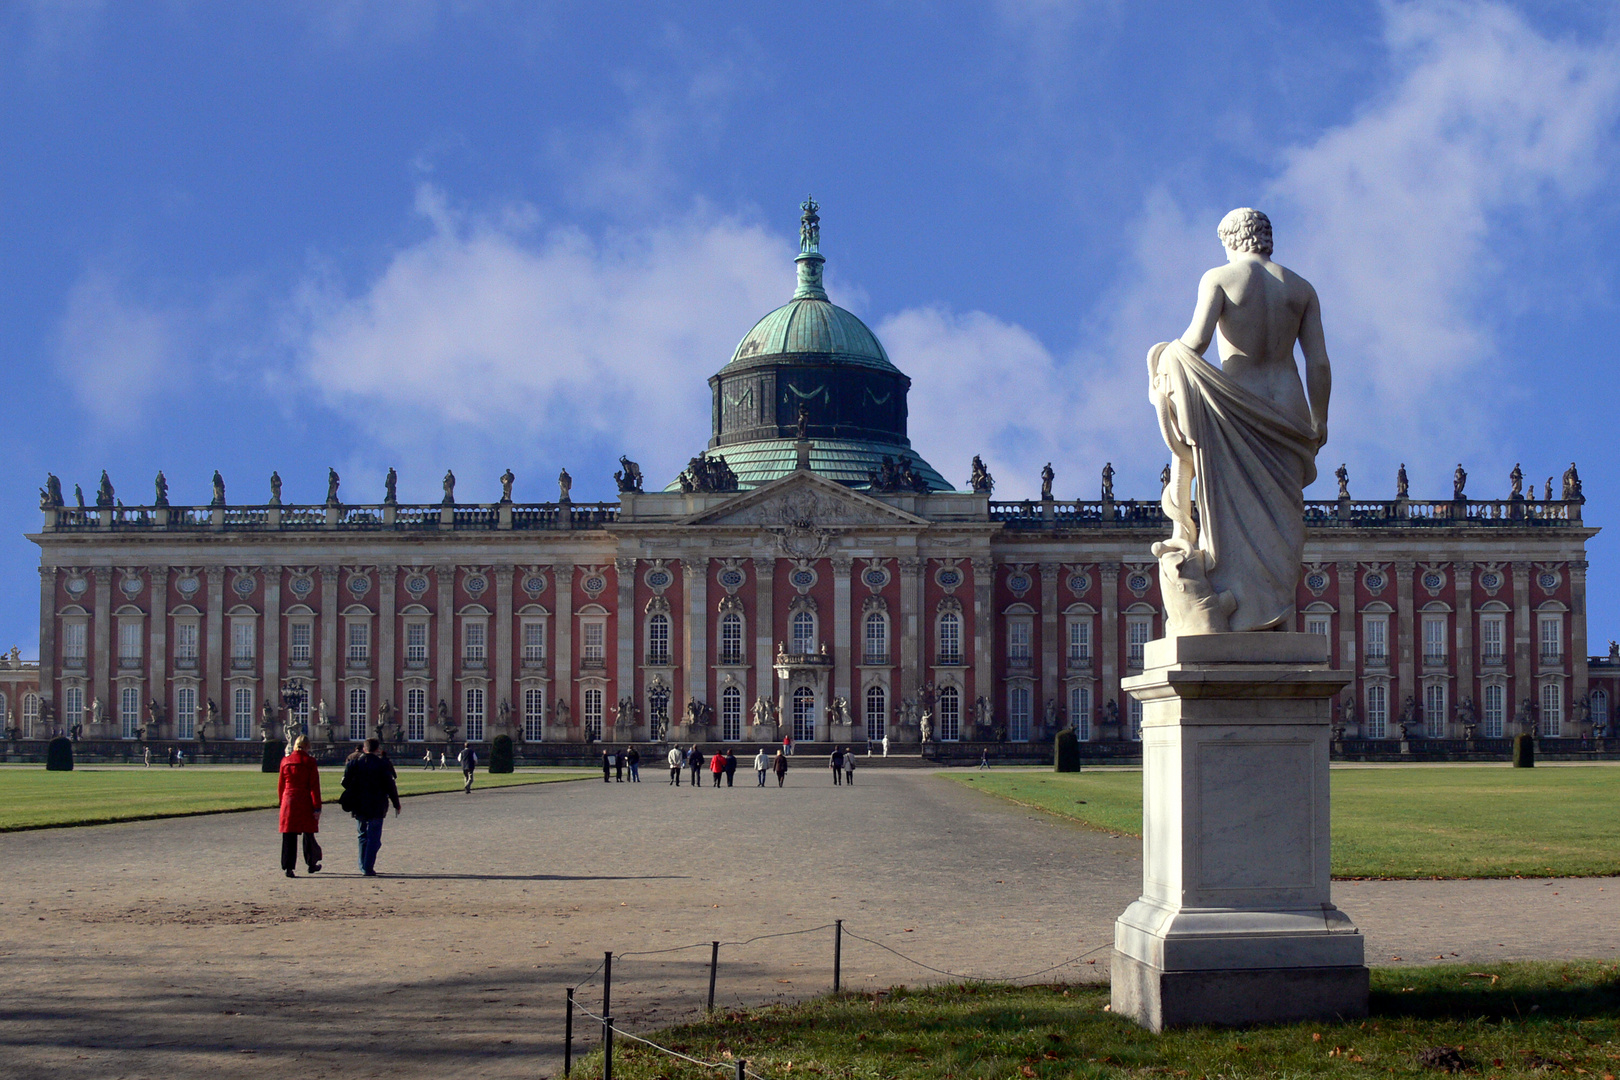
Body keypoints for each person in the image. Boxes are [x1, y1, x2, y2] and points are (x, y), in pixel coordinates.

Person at [1148, 207, 1330, 634]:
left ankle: (1243, 615)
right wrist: (1320, 417)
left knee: (1232, 520)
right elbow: (1317, 362)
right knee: (1282, 523)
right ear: (1266, 238)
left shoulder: (1219, 279)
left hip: (1236, 408)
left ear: (1230, 240)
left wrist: (1162, 360)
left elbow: (1194, 343)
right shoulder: (1302, 288)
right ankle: (1272, 619)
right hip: (1289, 408)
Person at [340, 737, 400, 876]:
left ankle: (363, 865)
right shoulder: (382, 764)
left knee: (362, 835)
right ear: (377, 749)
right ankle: (368, 866)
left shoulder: (354, 764)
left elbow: (345, 783)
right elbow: (391, 786)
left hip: (359, 804)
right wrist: (396, 804)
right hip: (377, 805)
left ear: (364, 749)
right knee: (374, 838)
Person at [277, 734, 322, 878]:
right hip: (304, 799)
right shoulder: (309, 761)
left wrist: (281, 802)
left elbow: (281, 786)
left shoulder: (285, 761)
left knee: (288, 835)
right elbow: (314, 787)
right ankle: (311, 863)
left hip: (288, 799)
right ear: (308, 746)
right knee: (308, 834)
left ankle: (288, 867)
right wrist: (317, 807)